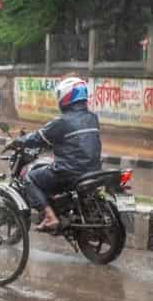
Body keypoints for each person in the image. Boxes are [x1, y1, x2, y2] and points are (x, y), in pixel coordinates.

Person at [9, 76, 101, 231]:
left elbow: (38, 137)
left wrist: (19, 141)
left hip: (69, 172)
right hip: (93, 170)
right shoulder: (92, 118)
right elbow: (76, 140)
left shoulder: (62, 122)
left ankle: (50, 217)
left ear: (65, 97)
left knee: (30, 177)